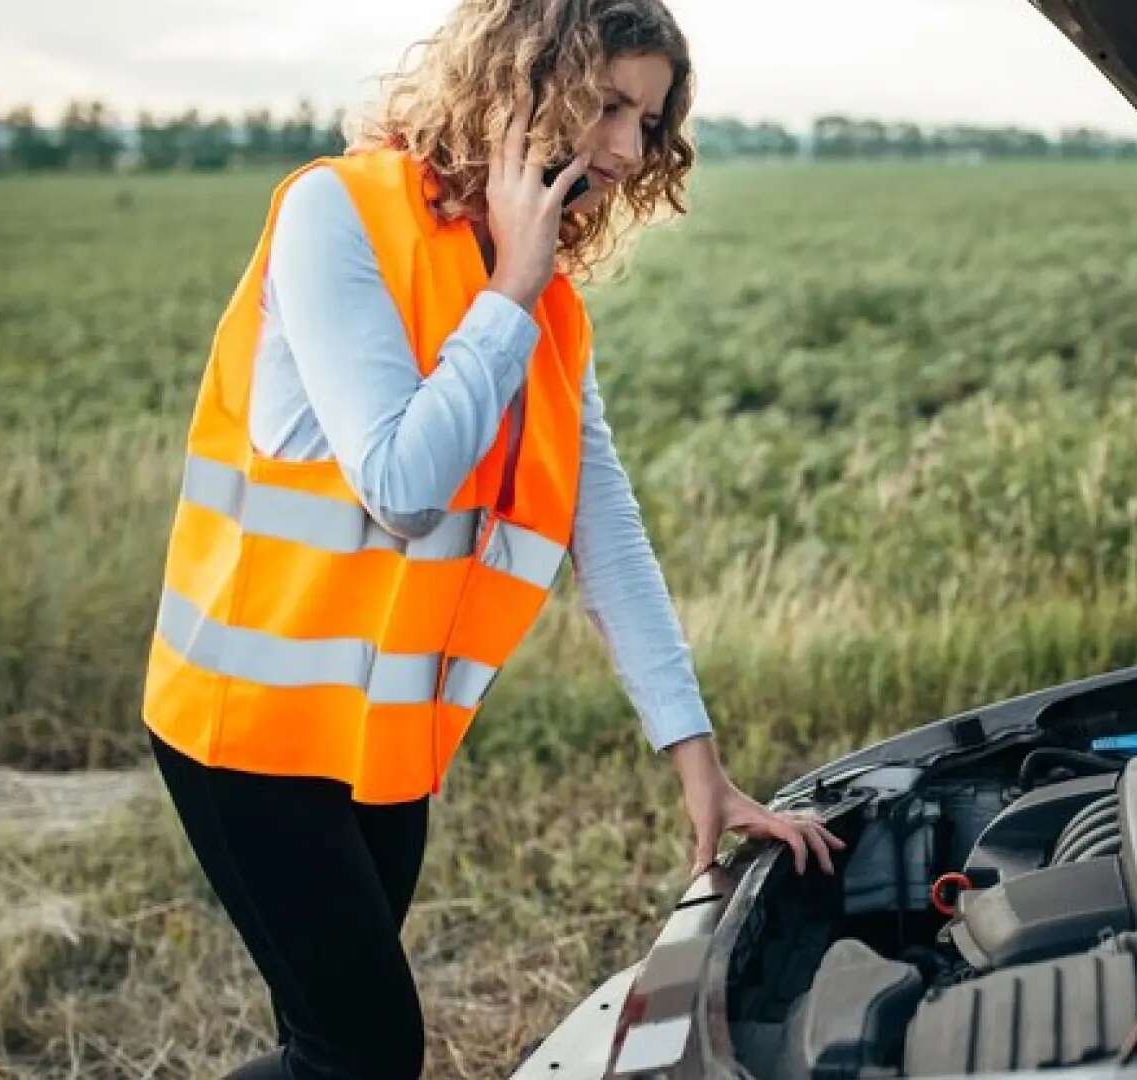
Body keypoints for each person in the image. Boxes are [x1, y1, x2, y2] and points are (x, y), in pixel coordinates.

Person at [139, 1, 842, 1076]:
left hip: (383, 746)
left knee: (327, 1045)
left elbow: (605, 531)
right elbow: (403, 486)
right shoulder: (337, 216)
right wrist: (510, 286)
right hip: (249, 731)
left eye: (647, 123)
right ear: (517, 83)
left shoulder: (548, 307)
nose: (624, 149)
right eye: (607, 105)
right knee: (362, 1054)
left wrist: (701, 766)